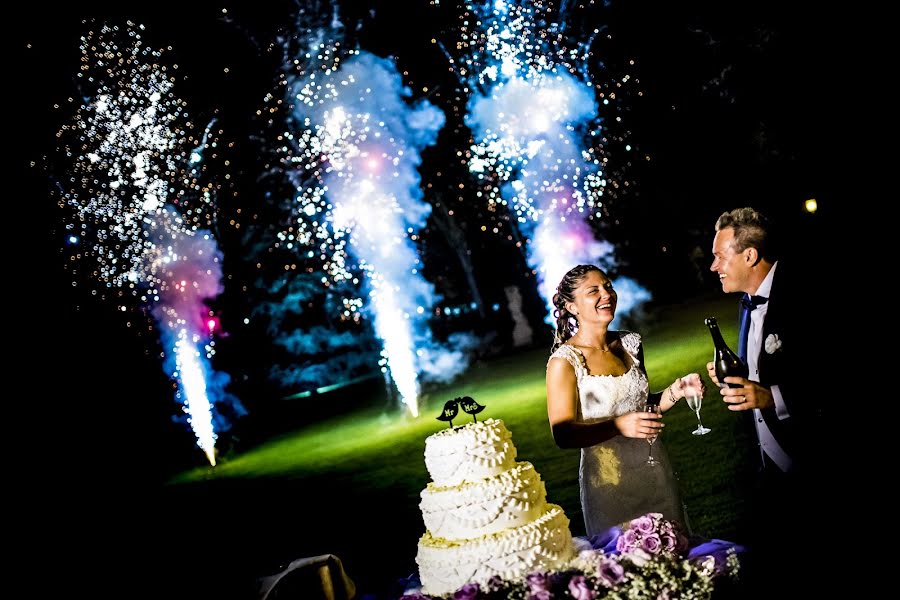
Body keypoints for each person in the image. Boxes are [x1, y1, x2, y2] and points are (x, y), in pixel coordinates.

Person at [707, 207, 824, 594]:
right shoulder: (748, 301)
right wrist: (741, 373)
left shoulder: (805, 292)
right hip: (770, 469)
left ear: (750, 256)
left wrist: (772, 397)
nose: (713, 266)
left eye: (720, 256)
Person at [546, 264, 702, 536]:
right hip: (609, 483)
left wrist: (676, 391)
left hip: (655, 471)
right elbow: (562, 434)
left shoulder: (630, 343)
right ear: (572, 307)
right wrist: (617, 426)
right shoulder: (564, 361)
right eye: (594, 291)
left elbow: (641, 406)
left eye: (608, 286)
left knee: (675, 552)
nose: (606, 294)